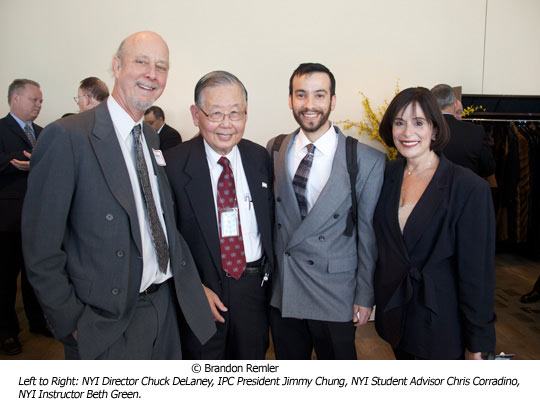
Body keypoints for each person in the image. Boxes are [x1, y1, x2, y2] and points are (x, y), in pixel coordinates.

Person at [22, 31, 215, 360]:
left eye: (161, 66)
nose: (151, 74)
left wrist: (190, 284)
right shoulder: (68, 137)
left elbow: (163, 224)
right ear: (116, 65)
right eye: (141, 61)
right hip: (107, 323)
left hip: (164, 310)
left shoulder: (152, 141)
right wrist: (72, 321)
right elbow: (40, 246)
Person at [266, 63, 385, 359]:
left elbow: (368, 236)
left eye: (319, 95)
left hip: (336, 293)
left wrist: (365, 295)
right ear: (291, 99)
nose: (309, 105)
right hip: (286, 291)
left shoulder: (366, 159)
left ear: (332, 100)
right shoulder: (275, 148)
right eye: (301, 95)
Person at [374, 87, 496, 360]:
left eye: (419, 123)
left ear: (435, 130)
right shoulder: (386, 175)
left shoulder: (467, 187)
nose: (407, 133)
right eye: (399, 122)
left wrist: (478, 342)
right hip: (396, 315)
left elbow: (477, 274)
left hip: (441, 322)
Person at [164, 71, 273, 359]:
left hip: (253, 288)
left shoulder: (259, 158)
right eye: (215, 113)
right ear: (195, 114)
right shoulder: (173, 165)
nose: (226, 124)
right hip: (202, 291)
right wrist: (192, 288)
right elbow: (165, 236)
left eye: (235, 113)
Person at [0, 79, 49, 355]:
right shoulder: (1, 129)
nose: (39, 105)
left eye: (41, 101)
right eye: (34, 100)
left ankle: (38, 322)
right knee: (6, 280)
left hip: (39, 218)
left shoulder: (44, 132)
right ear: (15, 99)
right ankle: (7, 331)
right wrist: (16, 161)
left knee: (35, 277)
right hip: (8, 220)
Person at [431, 84, 495, 177]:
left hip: (433, 189)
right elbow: (489, 167)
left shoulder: (425, 131)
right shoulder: (475, 131)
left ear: (432, 104)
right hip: (467, 188)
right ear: (455, 103)